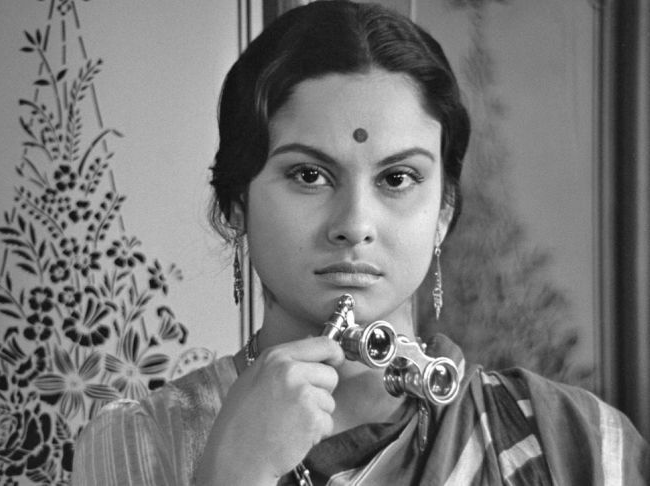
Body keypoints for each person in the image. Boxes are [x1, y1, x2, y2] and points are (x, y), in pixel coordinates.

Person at [72, 2, 649, 484]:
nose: (354, 223)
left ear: (444, 212)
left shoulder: (577, 442)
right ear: (237, 204)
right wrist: (234, 472)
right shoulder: (140, 441)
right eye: (309, 175)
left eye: (397, 178)